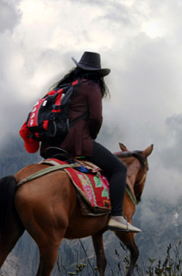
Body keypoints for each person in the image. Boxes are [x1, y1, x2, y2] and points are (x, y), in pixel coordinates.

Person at [39, 51, 141, 233]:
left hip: (50, 146)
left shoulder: (67, 86)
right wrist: (90, 137)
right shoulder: (92, 87)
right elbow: (95, 118)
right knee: (119, 169)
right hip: (75, 143)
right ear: (98, 74)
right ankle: (117, 216)